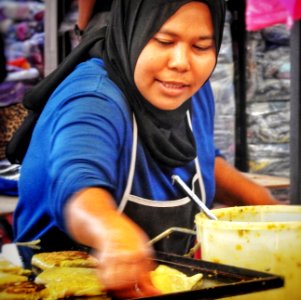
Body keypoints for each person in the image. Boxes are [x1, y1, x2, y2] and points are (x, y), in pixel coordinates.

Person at [13, 0, 281, 298]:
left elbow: (199, 159)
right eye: (164, 41)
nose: (182, 62)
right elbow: (77, 184)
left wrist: (267, 207)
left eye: (201, 47)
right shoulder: (93, 98)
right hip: (55, 286)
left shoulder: (193, 89)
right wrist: (113, 235)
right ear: (134, 31)